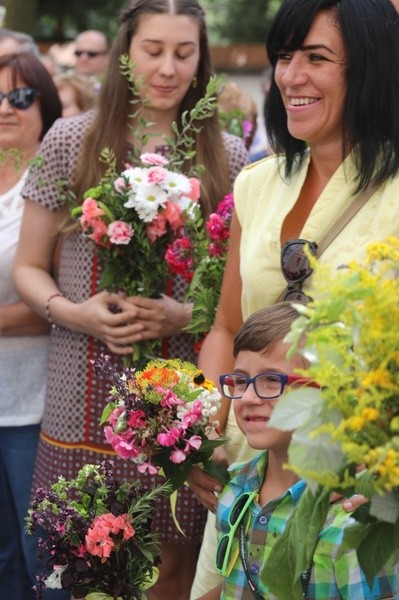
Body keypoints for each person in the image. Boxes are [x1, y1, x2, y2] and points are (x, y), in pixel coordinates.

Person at [13, 1, 249, 599]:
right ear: (125, 55)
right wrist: (74, 313)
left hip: (181, 399)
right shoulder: (72, 138)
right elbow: (30, 267)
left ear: (201, 60)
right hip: (80, 387)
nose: (168, 68)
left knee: (172, 568)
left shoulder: (228, 154)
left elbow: (236, 291)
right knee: (84, 561)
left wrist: (181, 314)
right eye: (153, 50)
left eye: (184, 52)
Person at [188, 0, 399, 596]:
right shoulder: (258, 183)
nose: (290, 76)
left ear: (372, 67)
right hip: (256, 478)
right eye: (283, 56)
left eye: (317, 57)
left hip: (363, 494)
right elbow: (228, 328)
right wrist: (206, 436)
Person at [196, 302, 398, 600]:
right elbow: (236, 588)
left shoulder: (353, 521)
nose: (248, 397)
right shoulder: (235, 489)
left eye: (271, 380)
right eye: (240, 380)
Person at [0, 52, 66, 599]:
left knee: (42, 559)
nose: (5, 107)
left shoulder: (58, 185)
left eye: (20, 97)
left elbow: (55, 305)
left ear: (45, 103)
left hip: (35, 408)